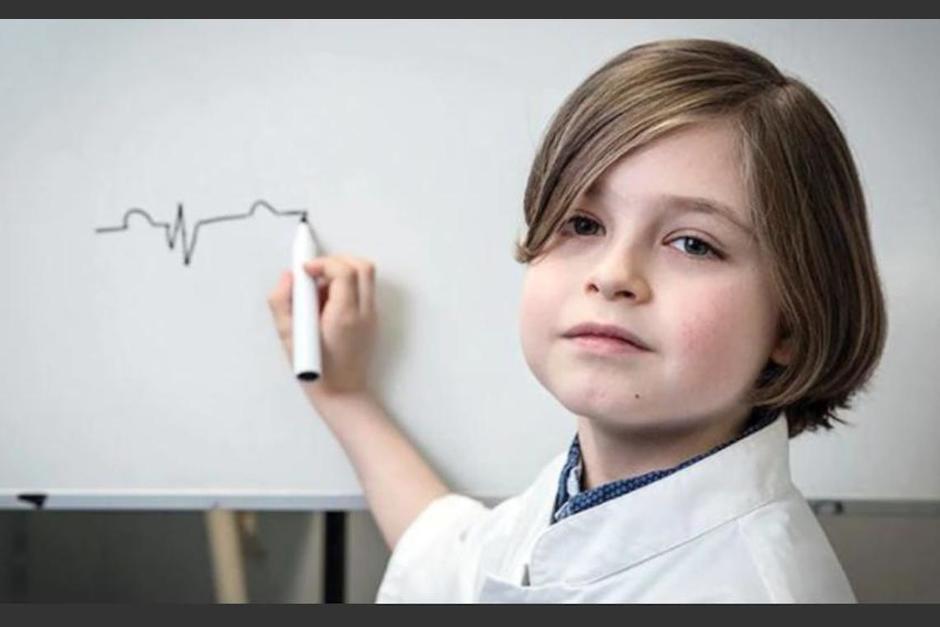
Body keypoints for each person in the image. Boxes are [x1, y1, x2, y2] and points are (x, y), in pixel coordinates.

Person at [266, 38, 887, 603]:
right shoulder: (580, 498)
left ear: (791, 324)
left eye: (693, 243)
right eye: (583, 224)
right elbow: (456, 562)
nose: (613, 273)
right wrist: (343, 395)